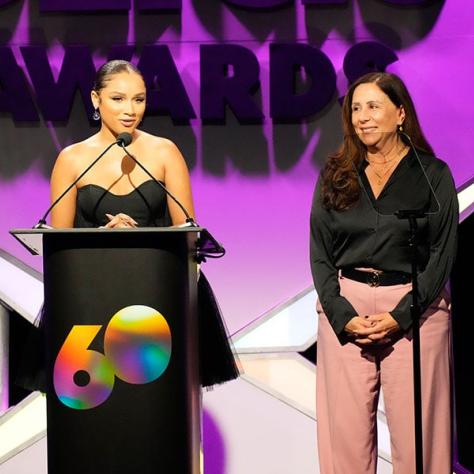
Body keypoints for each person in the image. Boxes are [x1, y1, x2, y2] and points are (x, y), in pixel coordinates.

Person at [45, 59, 239, 388]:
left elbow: (188, 236)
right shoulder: (72, 159)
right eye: (118, 99)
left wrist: (145, 238)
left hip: (160, 295)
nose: (130, 110)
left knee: (159, 401)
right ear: (96, 100)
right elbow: (59, 245)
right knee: (93, 400)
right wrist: (100, 238)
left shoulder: (164, 152)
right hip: (90, 296)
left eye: (139, 99)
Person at [310, 72, 458, 474]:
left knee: (420, 440)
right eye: (355, 108)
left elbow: (443, 253)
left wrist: (400, 315)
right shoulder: (336, 173)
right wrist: (342, 315)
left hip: (416, 309)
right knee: (346, 443)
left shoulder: (433, 174)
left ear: (400, 114)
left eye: (373, 106)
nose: (362, 117)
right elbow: (320, 253)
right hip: (348, 307)